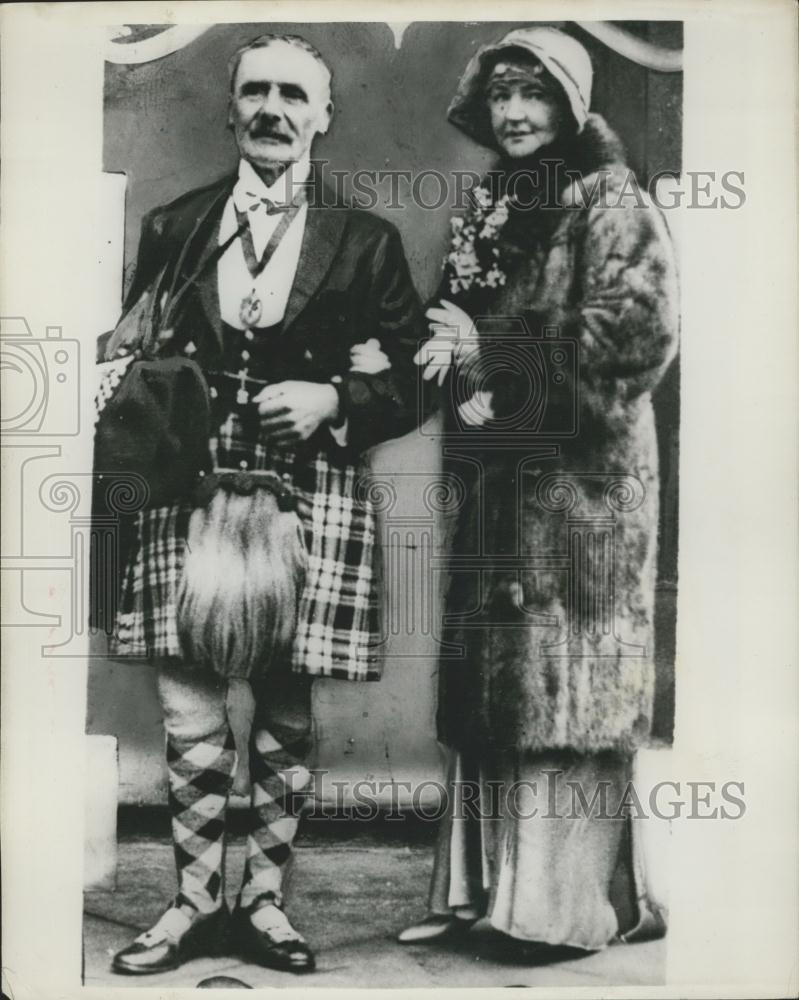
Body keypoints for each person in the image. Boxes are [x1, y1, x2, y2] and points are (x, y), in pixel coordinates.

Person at [101, 33, 423, 975]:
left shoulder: (366, 242)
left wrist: (338, 400)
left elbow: (413, 379)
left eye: (293, 95)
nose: (271, 109)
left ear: (325, 115)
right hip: (187, 481)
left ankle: (266, 901)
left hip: (308, 483)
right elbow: (137, 353)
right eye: (254, 93)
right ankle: (195, 898)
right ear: (229, 108)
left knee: (283, 699)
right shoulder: (176, 225)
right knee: (188, 700)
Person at [402, 26, 679, 951]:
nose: (514, 112)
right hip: (499, 478)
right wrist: (441, 361)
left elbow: (636, 335)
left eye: (535, 94)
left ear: (571, 106)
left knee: (565, 688)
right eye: (501, 96)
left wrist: (496, 351)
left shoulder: (611, 200)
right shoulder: (493, 203)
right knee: (498, 688)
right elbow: (462, 329)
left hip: (583, 495)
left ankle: (558, 909)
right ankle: (482, 898)